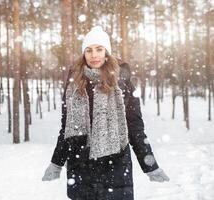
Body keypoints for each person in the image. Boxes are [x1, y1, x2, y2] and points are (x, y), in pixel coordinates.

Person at [42, 26, 169, 200]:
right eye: (89, 50)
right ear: (84, 54)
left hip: (115, 166)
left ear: (107, 52)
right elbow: (67, 129)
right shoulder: (74, 84)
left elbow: (135, 128)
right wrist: (56, 163)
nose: (94, 55)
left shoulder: (122, 82)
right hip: (81, 167)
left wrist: (150, 165)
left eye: (99, 49)